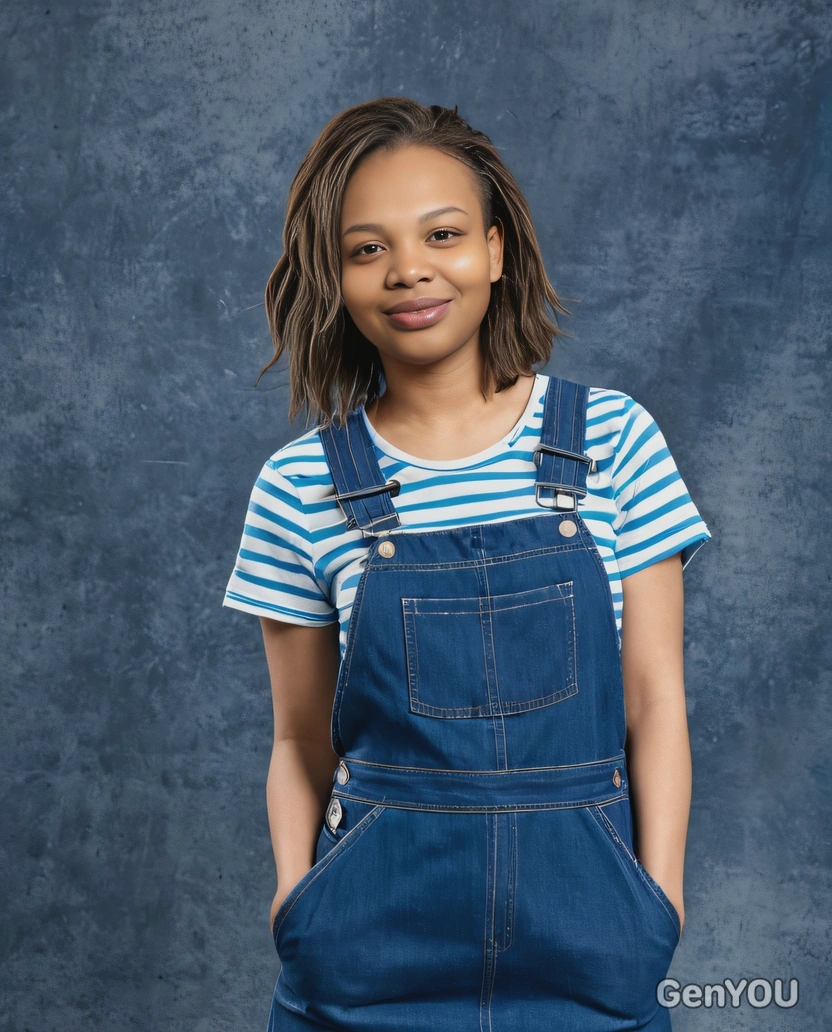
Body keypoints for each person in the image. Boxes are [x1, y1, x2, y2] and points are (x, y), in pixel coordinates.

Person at [223, 97, 711, 1031]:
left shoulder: (614, 441)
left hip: (592, 942)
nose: (408, 269)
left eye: (440, 233)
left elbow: (654, 703)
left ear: (494, 250)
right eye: (366, 249)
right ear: (334, 277)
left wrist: (660, 902)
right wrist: (296, 902)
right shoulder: (297, 488)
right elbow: (299, 740)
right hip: (367, 952)